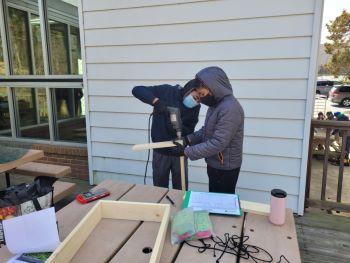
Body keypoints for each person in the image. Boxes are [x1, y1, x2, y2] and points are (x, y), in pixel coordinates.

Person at [171, 66, 244, 194]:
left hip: (225, 167)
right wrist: (188, 139)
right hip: (215, 162)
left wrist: (187, 152)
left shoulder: (230, 108)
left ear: (214, 89)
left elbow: (218, 142)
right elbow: (207, 130)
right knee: (214, 199)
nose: (201, 98)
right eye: (199, 95)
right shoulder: (216, 105)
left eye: (202, 94)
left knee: (222, 205)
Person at [132, 80, 201, 190]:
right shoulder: (167, 91)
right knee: (160, 188)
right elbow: (137, 90)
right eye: (195, 96)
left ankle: (180, 207)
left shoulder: (195, 107)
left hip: (179, 152)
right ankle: (162, 206)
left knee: (181, 189)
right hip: (160, 150)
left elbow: (190, 127)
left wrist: (183, 137)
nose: (196, 101)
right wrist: (156, 102)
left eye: (199, 100)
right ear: (189, 90)